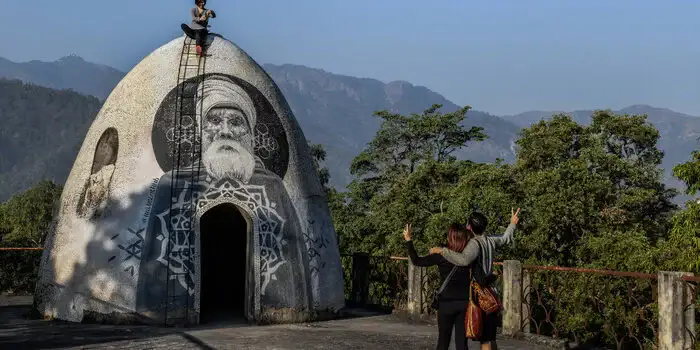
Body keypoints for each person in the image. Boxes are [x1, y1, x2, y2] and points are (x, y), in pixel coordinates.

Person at [429, 209, 520, 350]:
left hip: (479, 295)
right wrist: (512, 224)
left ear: (469, 227)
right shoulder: (490, 240)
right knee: (489, 337)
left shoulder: (474, 244)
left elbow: (464, 259)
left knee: (484, 339)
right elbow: (504, 238)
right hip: (491, 292)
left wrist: (443, 251)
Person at [404, 223, 473, 350]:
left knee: (443, 342)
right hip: (464, 302)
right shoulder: (468, 257)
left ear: (450, 237)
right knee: (462, 343)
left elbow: (417, 261)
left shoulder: (441, 255)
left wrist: (408, 240)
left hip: (446, 303)